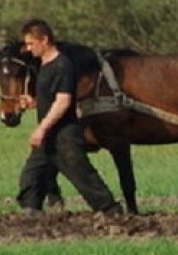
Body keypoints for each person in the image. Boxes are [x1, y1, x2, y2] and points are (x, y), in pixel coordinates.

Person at [17, 18, 122, 216]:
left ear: (44, 40)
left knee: (81, 174)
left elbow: (63, 101)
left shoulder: (63, 65)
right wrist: (33, 103)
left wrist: (42, 128)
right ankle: (31, 213)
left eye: (31, 43)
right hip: (50, 135)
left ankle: (110, 209)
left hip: (64, 134)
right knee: (30, 176)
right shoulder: (44, 65)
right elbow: (51, 97)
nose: (29, 49)